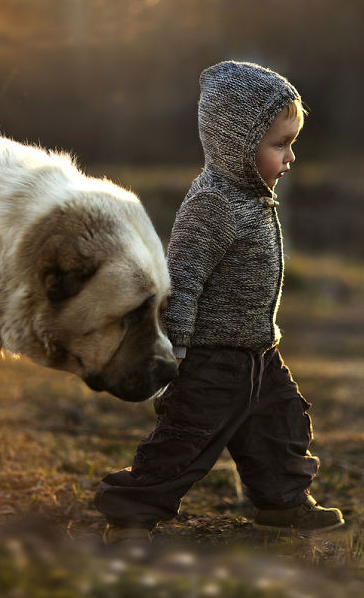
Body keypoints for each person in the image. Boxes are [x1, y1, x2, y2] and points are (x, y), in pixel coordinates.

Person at [94, 60, 344, 541]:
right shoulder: (213, 203)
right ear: (238, 146)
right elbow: (182, 280)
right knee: (187, 439)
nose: (290, 157)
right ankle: (131, 509)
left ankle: (284, 503)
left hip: (258, 352)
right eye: (280, 144)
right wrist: (176, 349)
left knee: (281, 426)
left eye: (292, 143)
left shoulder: (254, 195)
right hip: (210, 358)